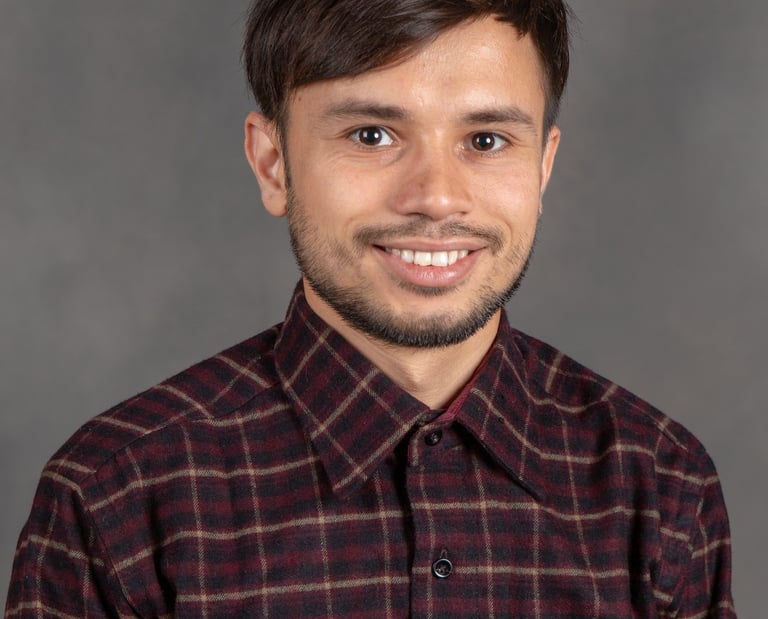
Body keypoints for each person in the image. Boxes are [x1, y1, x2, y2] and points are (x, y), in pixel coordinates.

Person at [5, 0, 735, 616]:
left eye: (486, 140)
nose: (437, 197)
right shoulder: (117, 497)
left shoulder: (662, 487)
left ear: (542, 168)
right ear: (273, 164)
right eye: (372, 135)